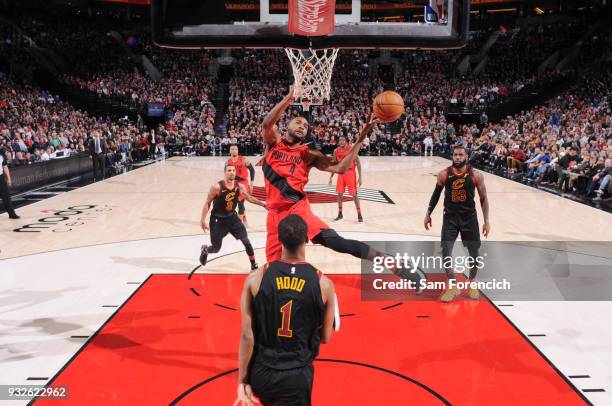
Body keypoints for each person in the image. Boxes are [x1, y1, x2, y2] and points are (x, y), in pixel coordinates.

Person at [260, 87, 425, 288]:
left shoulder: (309, 155)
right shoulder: (273, 144)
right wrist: (289, 98)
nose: (302, 125)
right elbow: (267, 124)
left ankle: (394, 264)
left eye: (305, 125)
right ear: (286, 125)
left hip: (298, 210)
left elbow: (341, 167)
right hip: (274, 215)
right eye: (298, 122)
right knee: (273, 269)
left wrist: (361, 138)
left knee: (337, 242)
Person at [236, 215, 336, 406]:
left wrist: (242, 380)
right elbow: (325, 337)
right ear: (307, 239)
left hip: (261, 372)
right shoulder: (324, 284)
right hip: (295, 376)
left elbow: (247, 336)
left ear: (278, 239)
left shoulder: (255, 278)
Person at [424, 145, 490, 302]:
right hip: (450, 218)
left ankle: (472, 281)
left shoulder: (475, 175)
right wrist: (428, 214)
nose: (458, 157)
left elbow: (483, 198)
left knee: (474, 253)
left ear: (466, 156)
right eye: (455, 155)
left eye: (461, 155)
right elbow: (435, 196)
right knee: (446, 251)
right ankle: (452, 284)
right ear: (452, 156)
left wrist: (486, 221)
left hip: (470, 218)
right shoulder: (444, 174)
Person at [199, 165, 266, 271]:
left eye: (234, 170)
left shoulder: (239, 187)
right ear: (225, 172)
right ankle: (205, 250)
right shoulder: (216, 187)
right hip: (217, 220)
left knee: (246, 240)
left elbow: (249, 198)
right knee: (216, 248)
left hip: (232, 218)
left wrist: (263, 205)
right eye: (229, 170)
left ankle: (253, 264)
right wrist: (202, 220)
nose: (232, 172)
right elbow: (207, 203)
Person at [328, 135, 363, 222]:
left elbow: (358, 163)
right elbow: (334, 164)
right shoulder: (336, 151)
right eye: (340, 140)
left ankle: (359, 214)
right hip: (340, 174)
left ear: (346, 141)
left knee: (354, 194)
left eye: (343, 140)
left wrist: (360, 177)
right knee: (339, 194)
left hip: (350, 173)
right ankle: (340, 214)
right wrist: (331, 176)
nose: (341, 142)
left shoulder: (351, 149)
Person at [226, 144, 255, 225]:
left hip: (243, 183)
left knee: (240, 202)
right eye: (232, 149)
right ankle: (244, 219)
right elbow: (226, 175)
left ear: (238, 150)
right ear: (230, 151)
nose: (234, 150)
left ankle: (239, 224)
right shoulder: (228, 162)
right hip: (233, 183)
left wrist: (252, 182)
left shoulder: (244, 159)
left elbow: (252, 170)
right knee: (235, 203)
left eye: (235, 149)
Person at [0, 149, 19, 219]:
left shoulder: (1, 153)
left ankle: (12, 214)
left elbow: (4, 166)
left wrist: (9, 178)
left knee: (6, 196)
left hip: (1, 178)